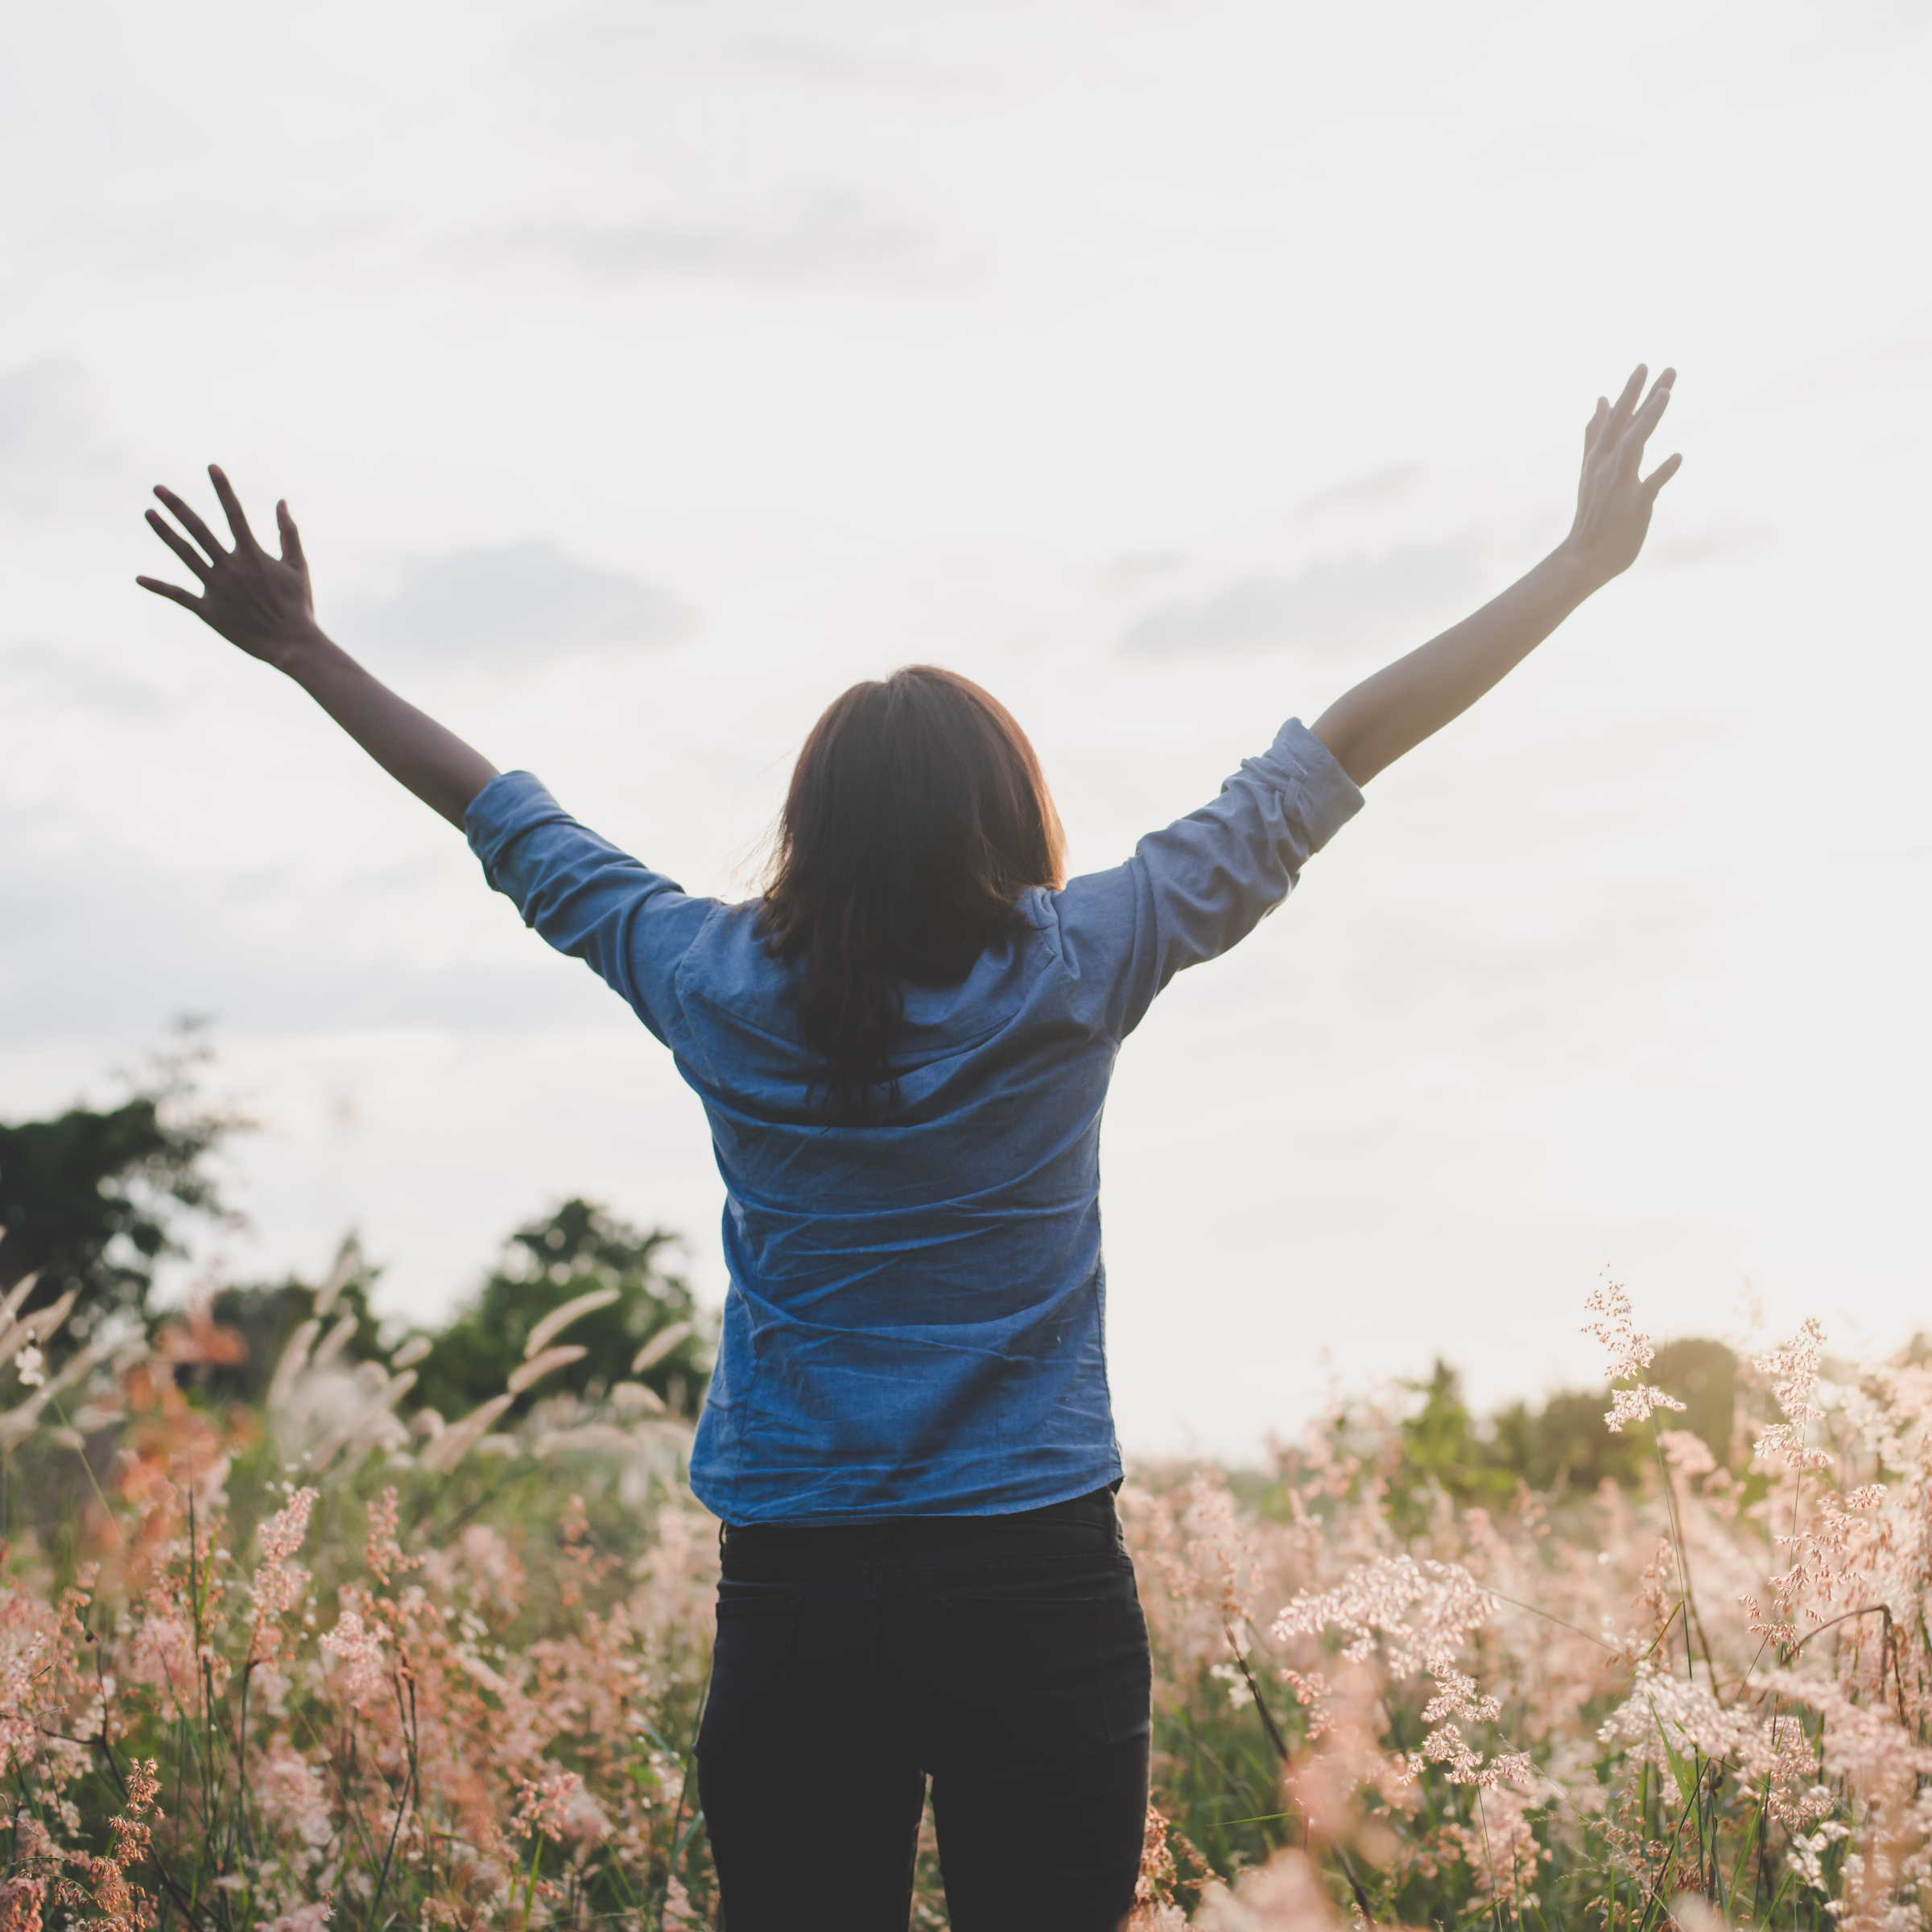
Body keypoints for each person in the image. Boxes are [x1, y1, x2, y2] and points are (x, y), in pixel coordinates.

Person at [137, 365, 1679, 1931]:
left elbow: (501, 817)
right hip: (1038, 1583)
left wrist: (307, 650)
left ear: (812, 830)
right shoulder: (1081, 961)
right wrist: (1571, 566)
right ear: (1009, 818)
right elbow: (1337, 752)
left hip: (800, 1592)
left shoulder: (706, 976)